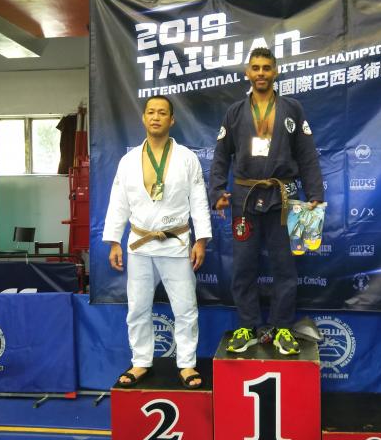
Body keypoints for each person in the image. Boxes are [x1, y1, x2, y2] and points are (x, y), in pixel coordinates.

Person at [209, 47, 324, 355]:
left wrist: (315, 193)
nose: (261, 73)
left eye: (266, 68)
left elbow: (307, 154)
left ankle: (282, 327)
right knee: (244, 265)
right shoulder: (235, 112)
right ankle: (247, 325)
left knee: (285, 265)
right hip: (244, 199)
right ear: (247, 73)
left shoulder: (292, 109)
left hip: (283, 197)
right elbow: (221, 156)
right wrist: (217, 191)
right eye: (256, 68)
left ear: (276, 72)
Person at [103, 95, 212, 388]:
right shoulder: (128, 161)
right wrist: (114, 241)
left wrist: (201, 240)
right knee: (137, 307)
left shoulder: (187, 158)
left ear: (171, 120)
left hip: (176, 243)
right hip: (139, 244)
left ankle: (187, 364)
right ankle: (141, 361)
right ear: (143, 118)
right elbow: (118, 201)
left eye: (162, 113)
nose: (155, 117)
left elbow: (199, 200)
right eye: (151, 112)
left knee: (185, 308)